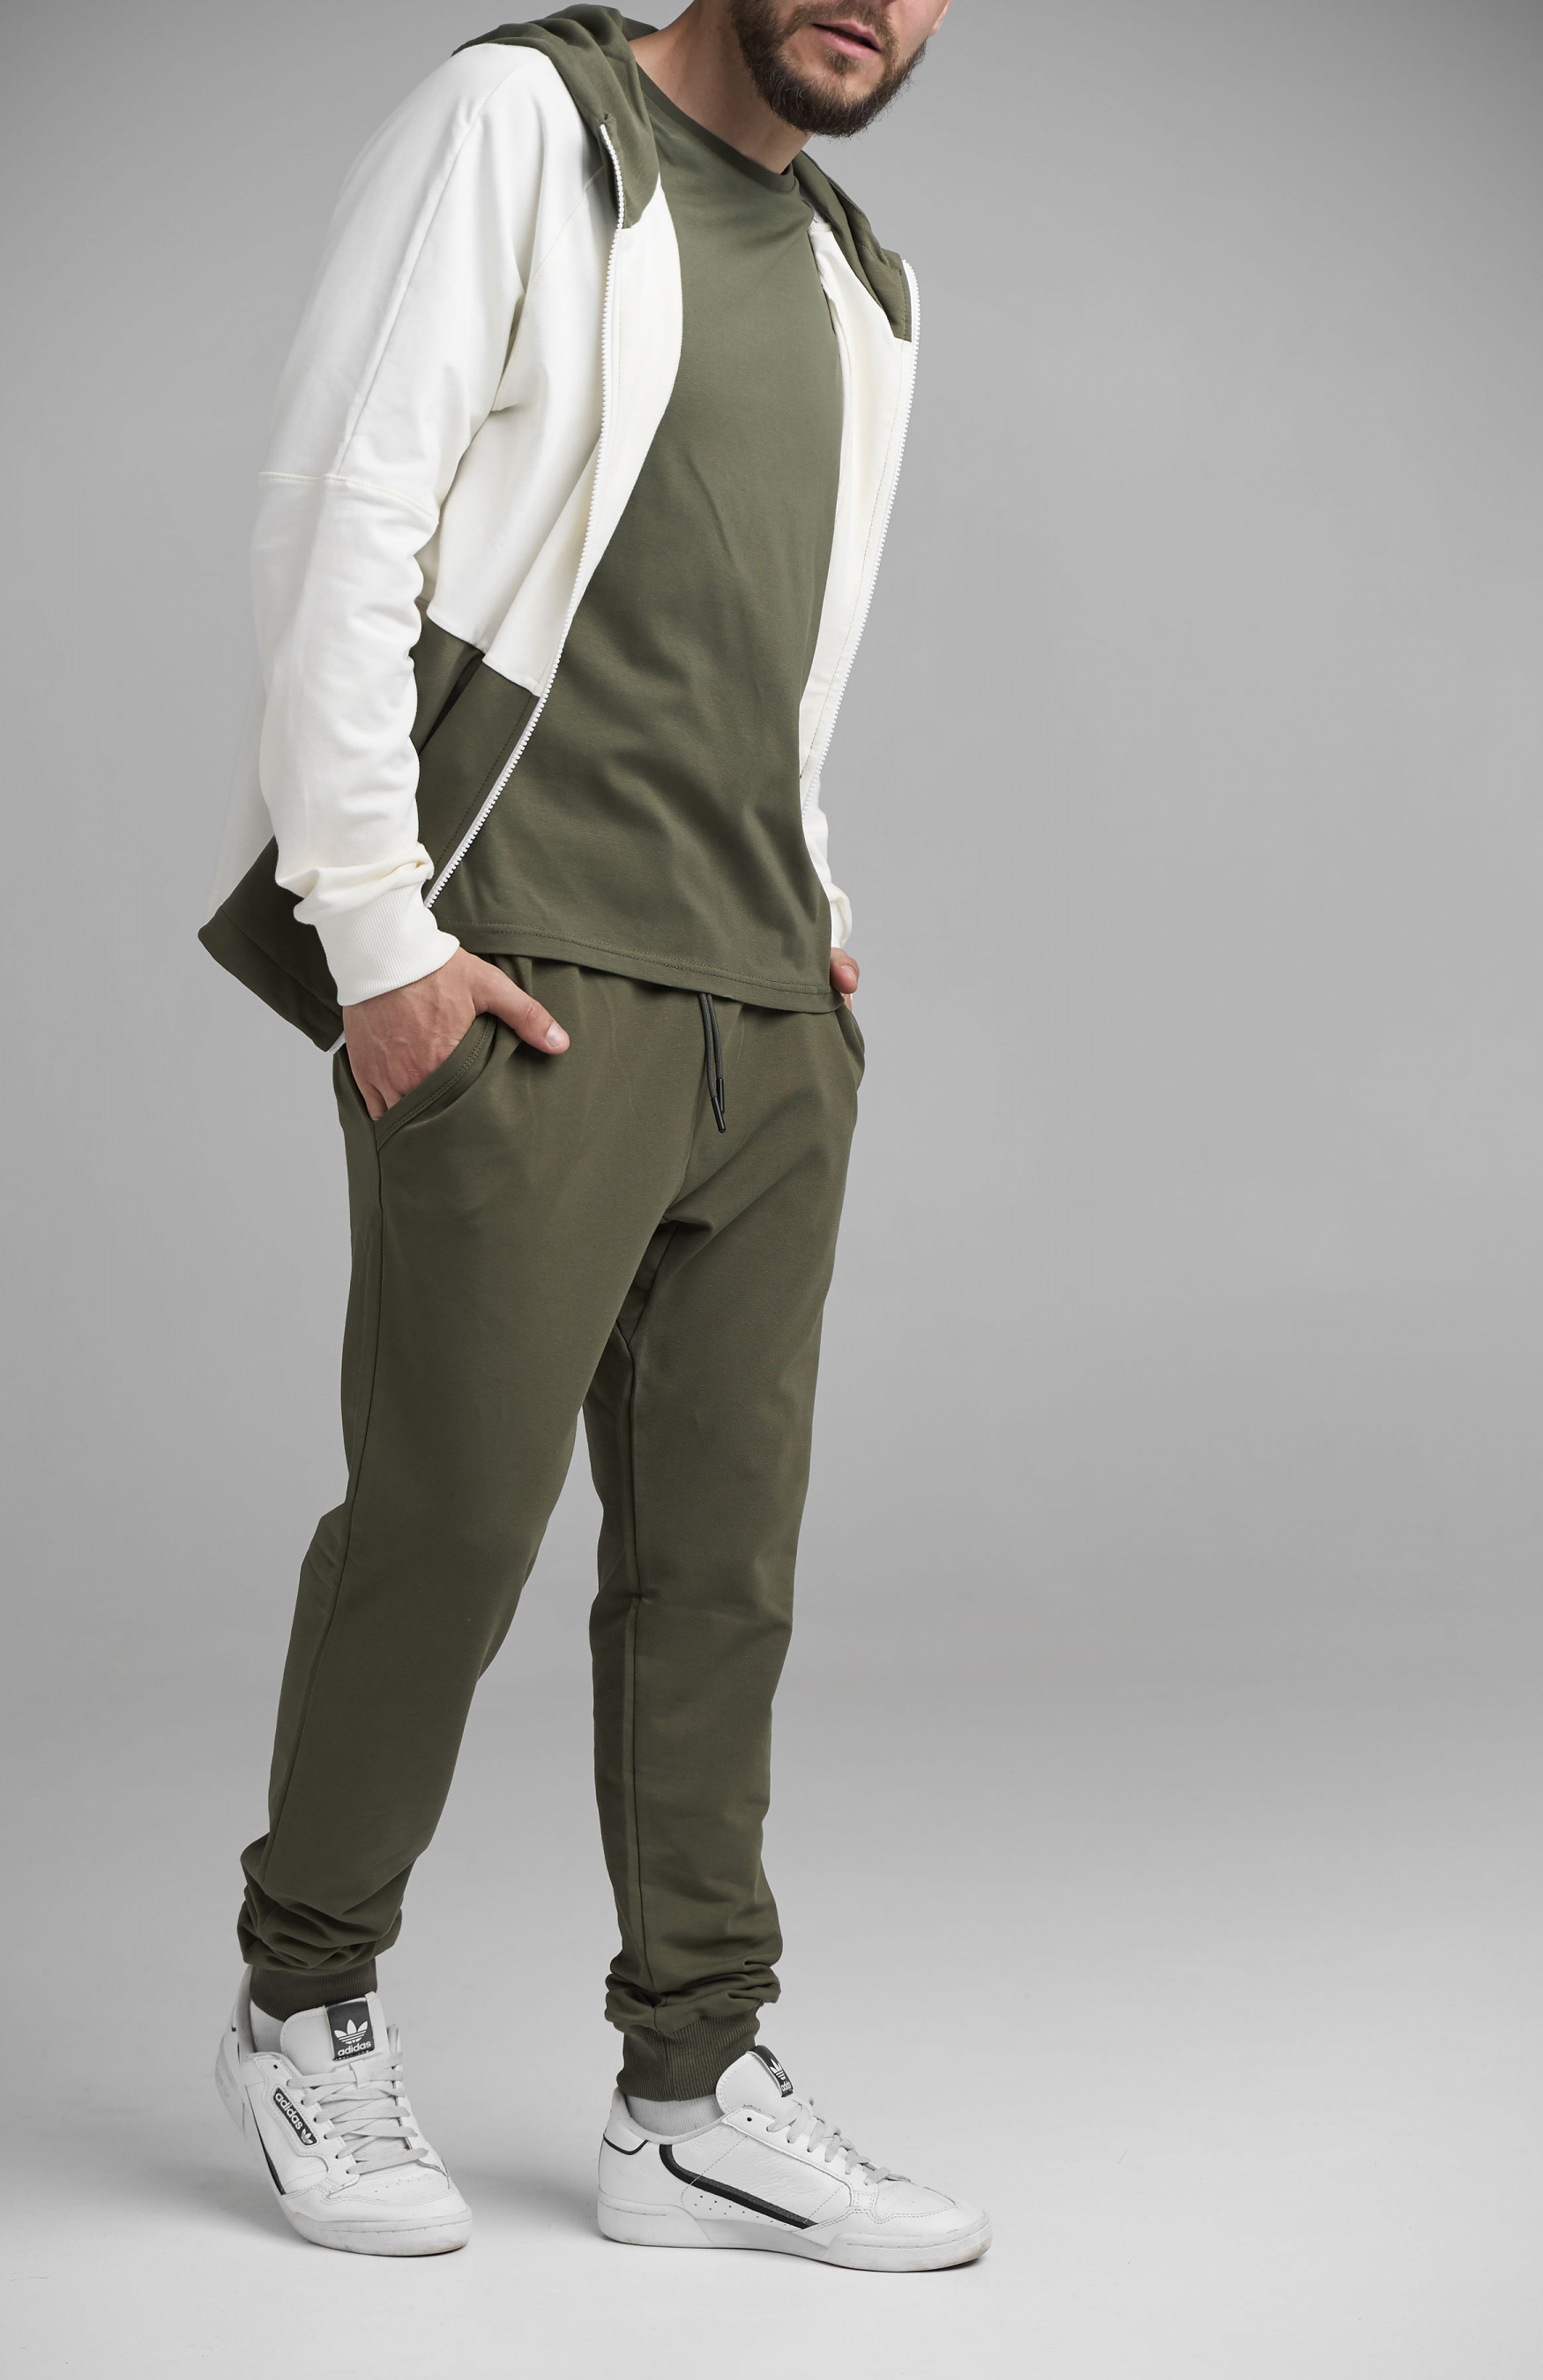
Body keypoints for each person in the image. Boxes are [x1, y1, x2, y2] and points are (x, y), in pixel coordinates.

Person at [202, 1, 989, 2272]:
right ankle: (302, 2004)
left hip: (770, 1014)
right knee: (450, 1525)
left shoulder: (859, 279)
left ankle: (691, 2088)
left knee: (719, 1574)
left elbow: (772, 655)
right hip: (525, 975)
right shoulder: (527, 123)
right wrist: (376, 937)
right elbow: (345, 511)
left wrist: (812, 912)